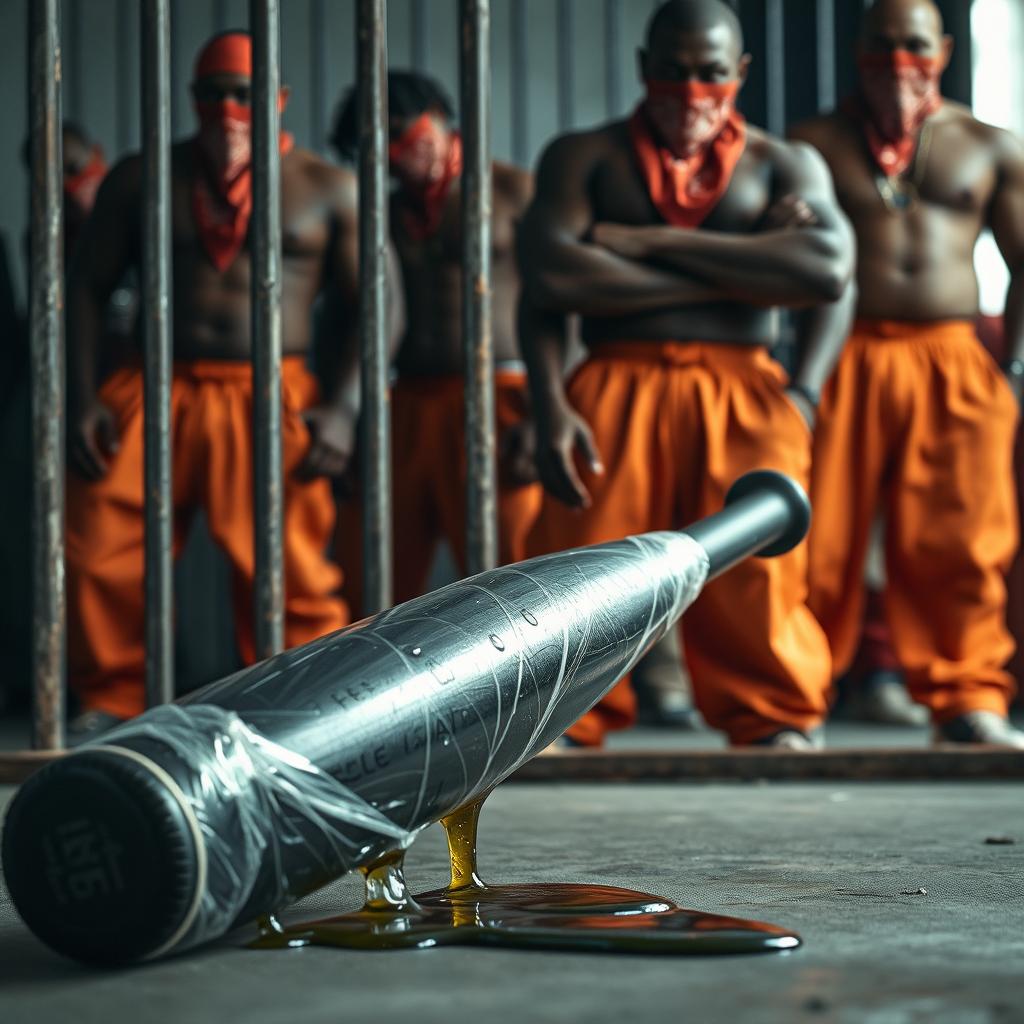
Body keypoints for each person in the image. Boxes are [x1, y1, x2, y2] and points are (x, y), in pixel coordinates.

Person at [518, 0, 855, 749]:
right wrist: (548, 404)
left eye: (710, 73)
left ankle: (772, 717)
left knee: (758, 570)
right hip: (613, 380)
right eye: (673, 70)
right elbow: (552, 281)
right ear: (645, 68)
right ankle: (567, 721)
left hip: (748, 388)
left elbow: (829, 271)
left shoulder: (784, 162)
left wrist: (636, 243)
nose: (691, 89)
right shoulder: (585, 156)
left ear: (740, 72)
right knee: (588, 563)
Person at [65, 32, 374, 741]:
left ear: (279, 100)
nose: (229, 109)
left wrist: (345, 406)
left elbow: (374, 303)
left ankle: (302, 700)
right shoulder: (145, 177)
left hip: (275, 392)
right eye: (213, 93)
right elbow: (85, 288)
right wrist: (81, 397)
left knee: (287, 557)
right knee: (97, 547)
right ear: (191, 99)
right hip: (153, 387)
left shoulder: (328, 186)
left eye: (246, 94)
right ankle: (111, 695)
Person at [790, 0, 1024, 747]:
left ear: (945, 49)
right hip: (846, 352)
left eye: (915, 44)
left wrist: (1007, 365)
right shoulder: (812, 143)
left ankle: (967, 698)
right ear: (858, 51)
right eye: (881, 45)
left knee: (960, 542)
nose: (899, 60)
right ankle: (793, 703)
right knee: (815, 542)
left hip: (955, 356)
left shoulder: (991, 146)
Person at [329, 71, 541, 613]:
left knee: (518, 575)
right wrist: (346, 414)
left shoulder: (515, 191)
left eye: (402, 131)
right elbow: (343, 315)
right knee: (372, 579)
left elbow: (568, 304)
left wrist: (546, 412)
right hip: (402, 404)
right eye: (376, 145)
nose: (395, 154)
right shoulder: (377, 213)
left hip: (502, 397)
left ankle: (541, 698)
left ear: (442, 116)